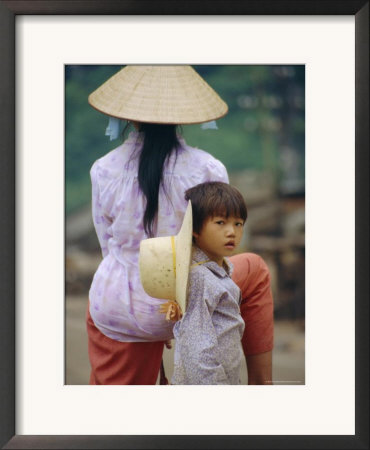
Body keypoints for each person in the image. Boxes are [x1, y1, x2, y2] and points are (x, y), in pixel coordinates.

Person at [86, 65, 273, 385]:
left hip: (123, 311)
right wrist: (174, 304)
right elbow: (215, 252)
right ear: (182, 116)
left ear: (129, 117)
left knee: (114, 415)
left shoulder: (103, 169)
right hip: (190, 300)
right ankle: (260, 386)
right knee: (254, 268)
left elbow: (108, 247)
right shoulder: (207, 168)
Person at [170, 182, 247, 384]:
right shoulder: (199, 277)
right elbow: (196, 346)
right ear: (195, 229)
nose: (232, 232)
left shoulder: (221, 271)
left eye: (238, 224)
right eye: (221, 223)